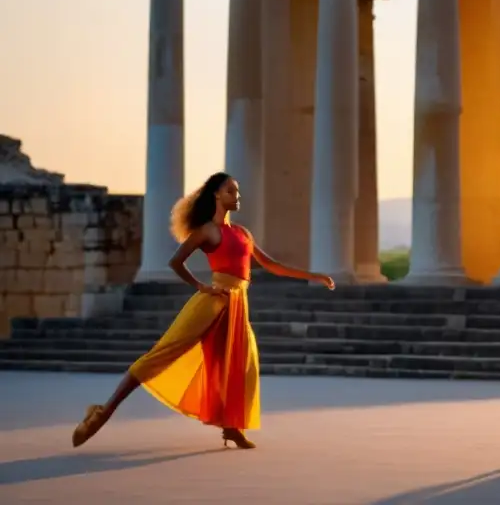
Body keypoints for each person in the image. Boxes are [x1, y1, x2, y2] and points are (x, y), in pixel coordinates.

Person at [71, 172, 335, 450]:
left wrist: (314, 276)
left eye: (237, 191)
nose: (237, 196)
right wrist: (201, 286)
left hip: (237, 306)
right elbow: (176, 262)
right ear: (217, 196)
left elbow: (271, 264)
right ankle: (104, 411)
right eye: (231, 191)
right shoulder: (208, 231)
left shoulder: (242, 233)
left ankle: (231, 428)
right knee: (164, 353)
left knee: (237, 364)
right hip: (211, 303)